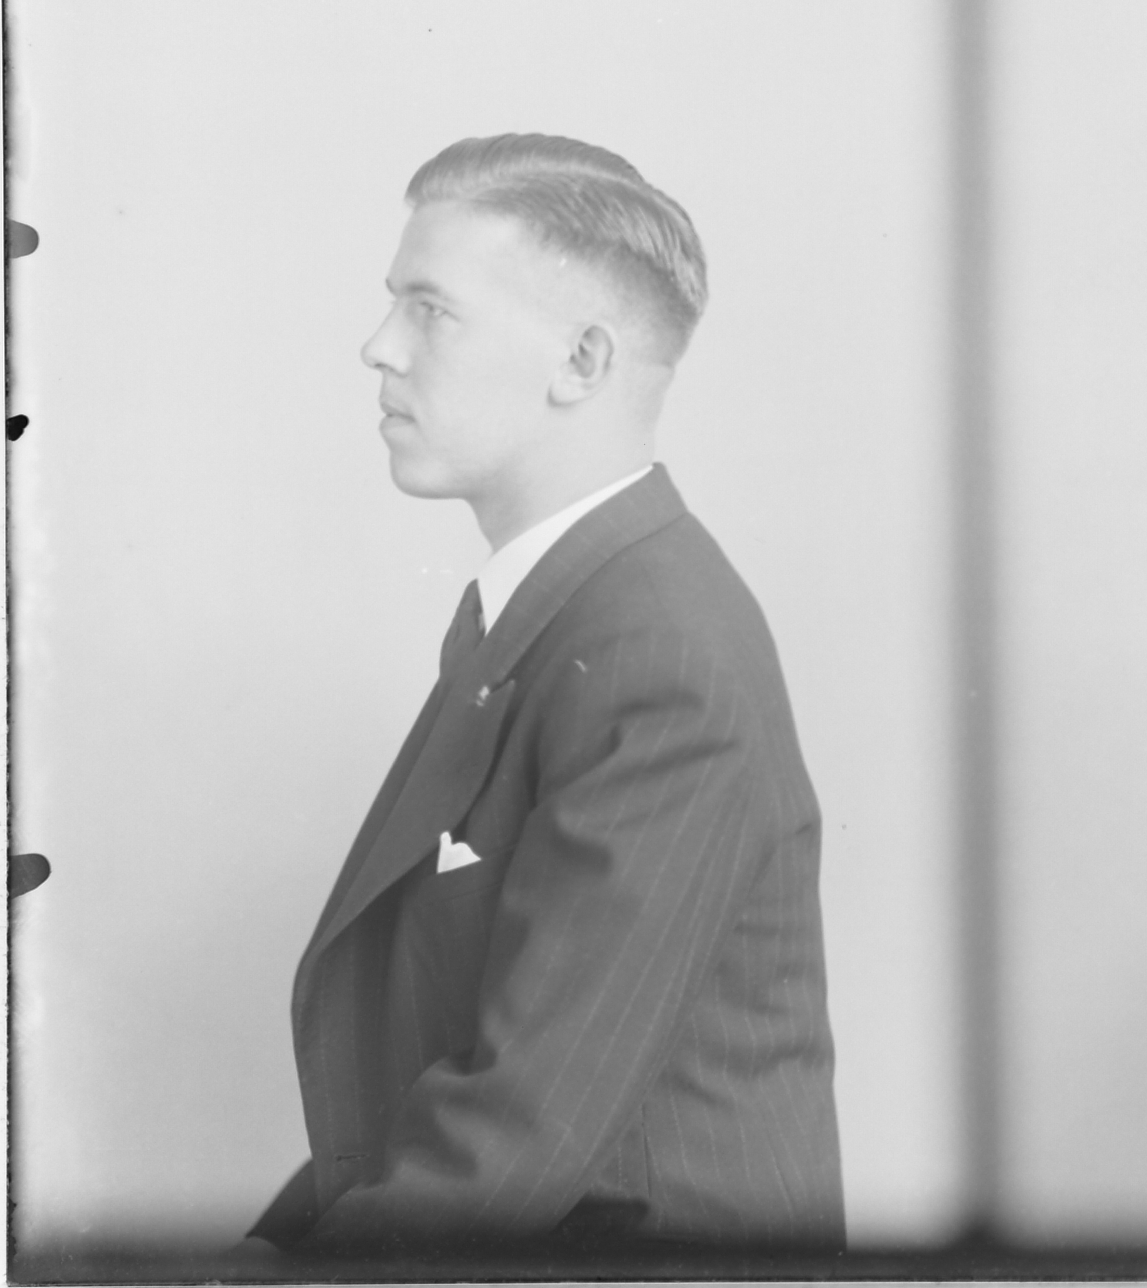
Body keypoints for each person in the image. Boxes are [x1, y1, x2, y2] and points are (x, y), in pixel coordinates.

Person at [247, 134, 843, 1254]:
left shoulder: (653, 650)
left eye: (430, 310)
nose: (378, 346)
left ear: (580, 360)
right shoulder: (560, 612)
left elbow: (514, 1138)